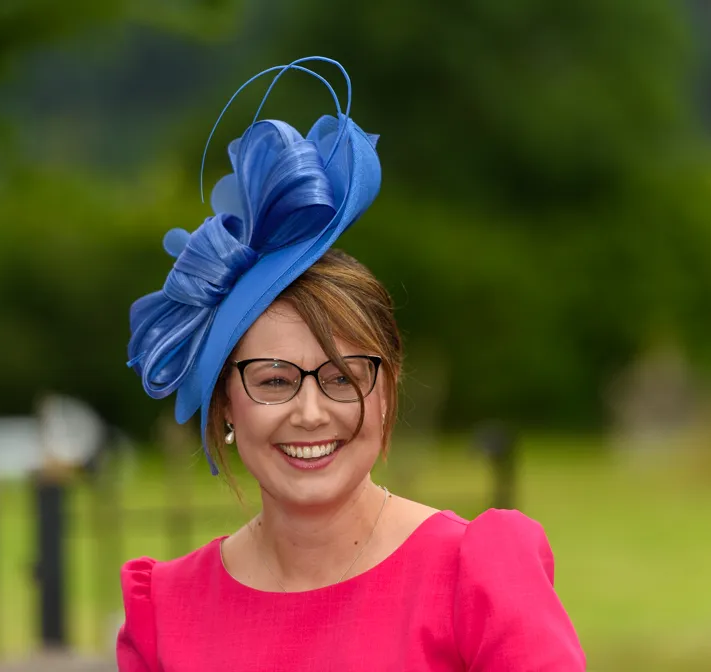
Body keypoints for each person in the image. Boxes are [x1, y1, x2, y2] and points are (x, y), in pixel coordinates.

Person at [118, 57, 585, 671]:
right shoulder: (168, 614)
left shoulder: (473, 577)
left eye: (342, 378)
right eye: (275, 381)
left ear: (386, 391)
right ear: (226, 401)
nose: (310, 413)